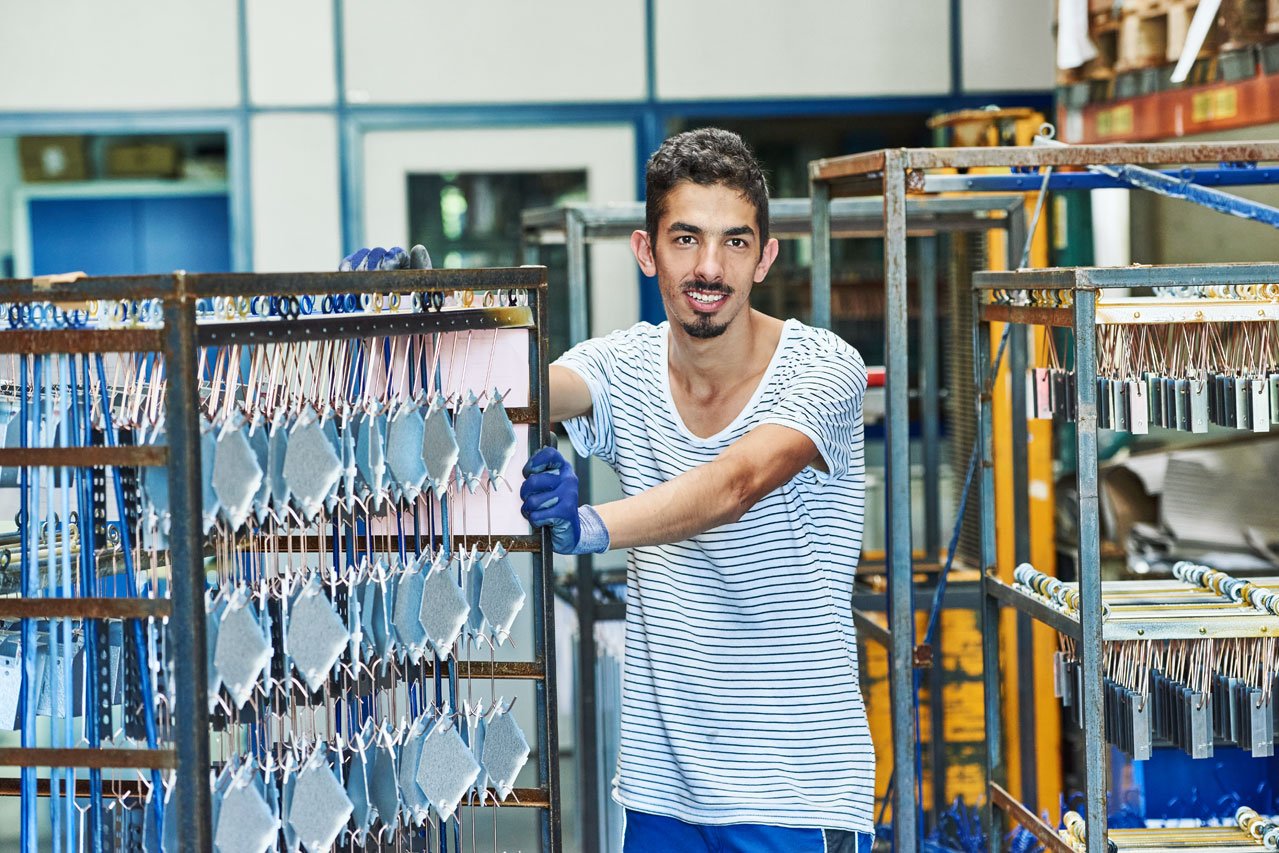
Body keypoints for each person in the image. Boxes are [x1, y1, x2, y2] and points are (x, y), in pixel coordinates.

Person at [346, 127, 873, 853]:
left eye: (735, 242)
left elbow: (736, 482)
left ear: (766, 255)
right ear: (645, 249)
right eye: (685, 239)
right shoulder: (623, 364)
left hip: (787, 787)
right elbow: (517, 389)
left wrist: (587, 523)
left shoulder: (821, 366)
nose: (710, 267)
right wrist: (411, 327)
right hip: (661, 789)